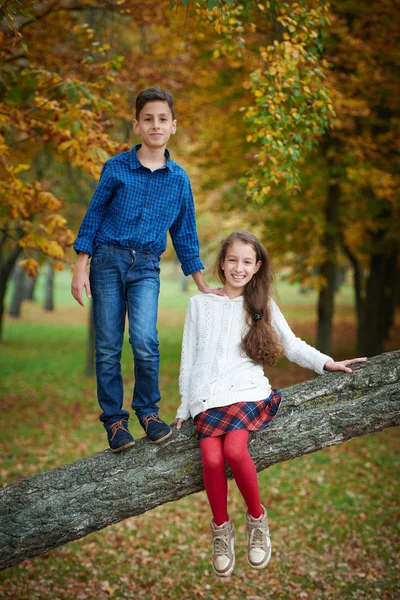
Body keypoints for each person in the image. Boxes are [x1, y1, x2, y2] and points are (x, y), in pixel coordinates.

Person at [174, 230, 366, 577]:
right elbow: (189, 357)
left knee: (233, 451)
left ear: (257, 265)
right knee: (211, 458)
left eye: (247, 261)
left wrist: (327, 363)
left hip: (246, 392)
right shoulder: (198, 304)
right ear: (221, 263)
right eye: (232, 260)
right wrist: (183, 407)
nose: (238, 268)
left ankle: (257, 520)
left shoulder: (262, 304)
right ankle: (220, 531)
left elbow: (291, 345)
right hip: (207, 398)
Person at [71, 86, 219, 452]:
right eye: (148, 119)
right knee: (107, 346)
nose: (156, 125)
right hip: (107, 260)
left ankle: (149, 412)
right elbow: (93, 217)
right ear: (136, 125)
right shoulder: (117, 168)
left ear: (173, 127)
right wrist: (80, 266)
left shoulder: (179, 180)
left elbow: (185, 233)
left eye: (163, 119)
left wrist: (201, 282)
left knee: (145, 341)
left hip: (146, 267)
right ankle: (114, 422)